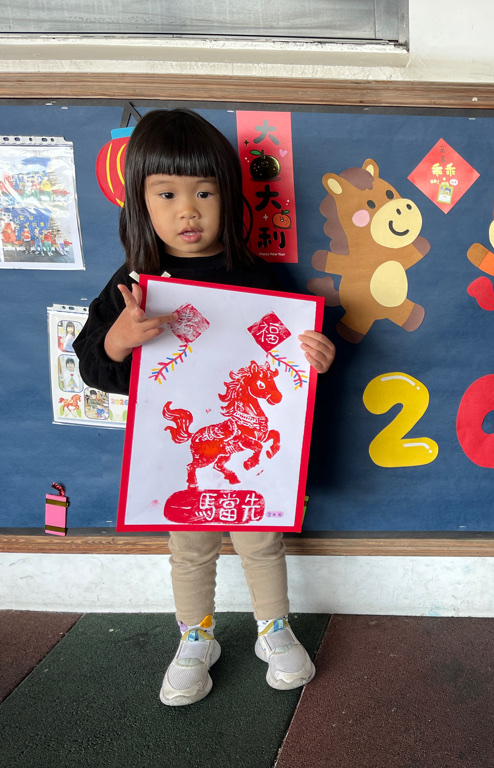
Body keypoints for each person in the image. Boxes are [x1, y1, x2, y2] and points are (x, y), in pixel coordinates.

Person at [73, 108, 336, 707]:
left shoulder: (257, 279)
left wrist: (314, 358)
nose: (187, 211)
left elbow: (285, 362)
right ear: (140, 203)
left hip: (250, 458)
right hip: (180, 455)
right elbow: (93, 367)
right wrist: (119, 340)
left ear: (228, 198)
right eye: (166, 194)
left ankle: (273, 627)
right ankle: (196, 636)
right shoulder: (136, 284)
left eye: (204, 192)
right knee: (190, 546)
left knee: (260, 538)